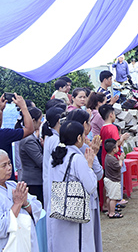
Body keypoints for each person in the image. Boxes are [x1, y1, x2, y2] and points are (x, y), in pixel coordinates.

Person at [0, 148, 42, 252]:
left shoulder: (13, 185)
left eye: (9, 163)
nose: (9, 168)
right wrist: (17, 204)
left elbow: (37, 207)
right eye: (4, 165)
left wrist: (25, 203)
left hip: (26, 244)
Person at [48, 120, 100, 252]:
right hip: (75, 210)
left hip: (58, 206)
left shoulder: (55, 156)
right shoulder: (77, 158)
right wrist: (89, 166)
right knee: (78, 244)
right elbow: (91, 187)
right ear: (78, 138)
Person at [65, 108, 104, 252]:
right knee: (87, 241)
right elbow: (98, 174)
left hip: (67, 201)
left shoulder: (61, 148)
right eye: (88, 122)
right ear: (83, 125)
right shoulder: (83, 149)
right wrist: (93, 153)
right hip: (85, 201)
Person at [19, 107, 44, 204]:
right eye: (40, 120)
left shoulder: (31, 137)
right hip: (33, 182)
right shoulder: (28, 140)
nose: (41, 123)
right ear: (33, 121)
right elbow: (41, 162)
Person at [42, 106, 65, 211]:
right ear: (59, 121)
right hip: (54, 181)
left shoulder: (50, 137)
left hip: (50, 180)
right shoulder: (55, 140)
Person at [103, 138, 125, 218]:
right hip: (113, 181)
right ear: (113, 149)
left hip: (108, 179)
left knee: (109, 197)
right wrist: (121, 160)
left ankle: (109, 211)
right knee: (113, 198)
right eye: (116, 147)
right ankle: (112, 212)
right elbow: (119, 166)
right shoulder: (112, 159)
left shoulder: (108, 157)